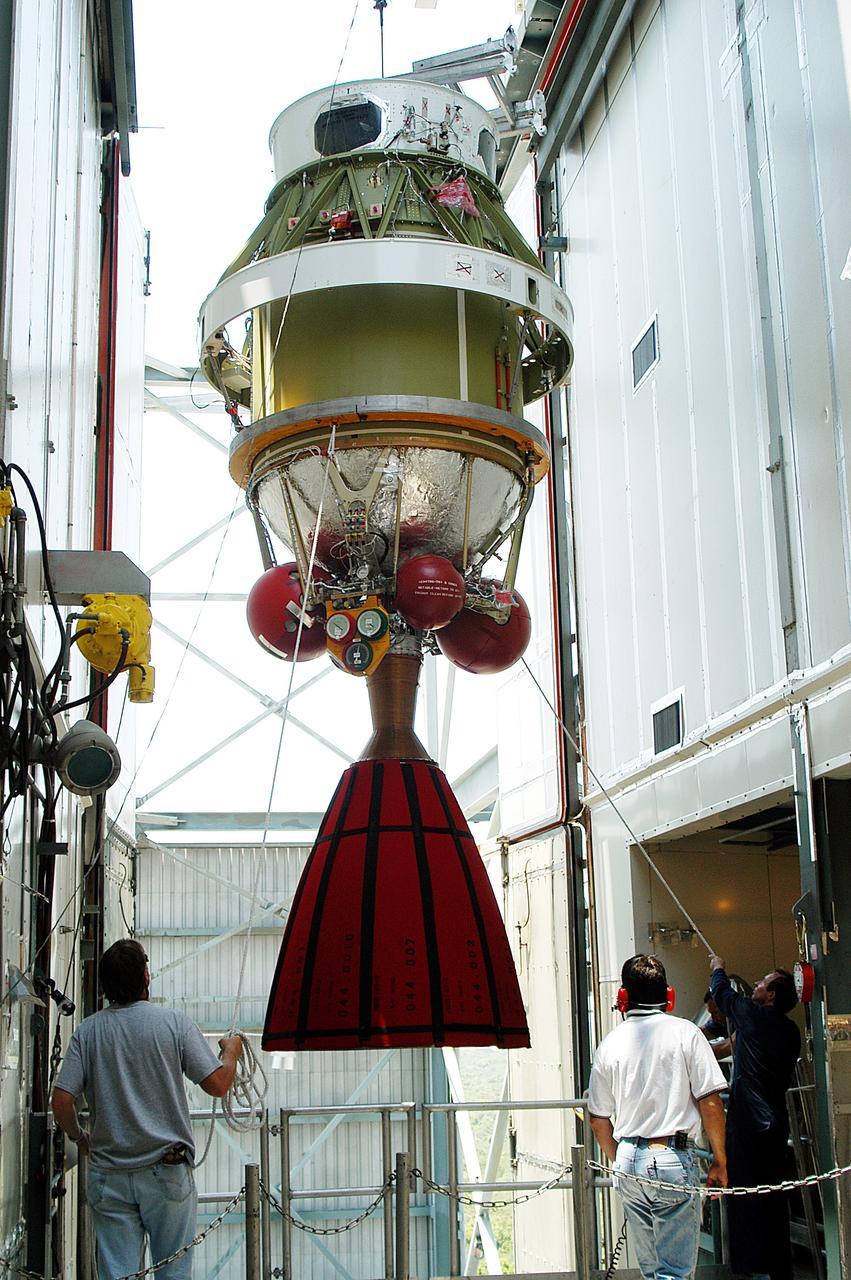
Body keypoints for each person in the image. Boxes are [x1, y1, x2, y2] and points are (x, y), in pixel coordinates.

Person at [51, 939, 244, 1280]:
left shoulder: (87, 1032)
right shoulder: (174, 1024)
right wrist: (232, 1052)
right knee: (173, 1272)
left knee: (119, 1274)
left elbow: (62, 1100)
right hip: (166, 1171)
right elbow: (217, 1084)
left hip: (109, 1174)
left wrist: (79, 1137)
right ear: (145, 976)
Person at [588, 955, 728, 1280]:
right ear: (669, 996)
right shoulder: (687, 1034)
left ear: (623, 997)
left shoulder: (608, 1045)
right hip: (672, 1158)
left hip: (627, 1159)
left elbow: (598, 1119)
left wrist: (622, 1158)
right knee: (673, 1273)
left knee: (651, 1272)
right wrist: (720, 1160)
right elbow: (710, 1103)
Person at [710, 956, 800, 1280]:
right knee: (774, 1200)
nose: (757, 985)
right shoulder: (790, 1031)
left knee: (744, 1201)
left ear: (771, 995)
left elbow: (722, 993)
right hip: (775, 1126)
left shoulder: (751, 1016)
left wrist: (717, 967)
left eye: (763, 982)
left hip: (747, 1125)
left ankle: (750, 1270)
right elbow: (740, 1043)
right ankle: (779, 1270)